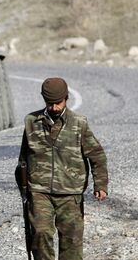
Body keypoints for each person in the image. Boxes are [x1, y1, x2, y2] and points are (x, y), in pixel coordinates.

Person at [16, 77, 108, 260]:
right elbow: (23, 158)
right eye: (50, 103)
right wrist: (24, 189)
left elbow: (97, 155)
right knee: (40, 234)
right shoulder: (31, 121)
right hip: (39, 190)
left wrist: (101, 185)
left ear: (66, 98)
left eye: (58, 103)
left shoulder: (79, 123)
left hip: (70, 193)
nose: (54, 108)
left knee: (71, 242)